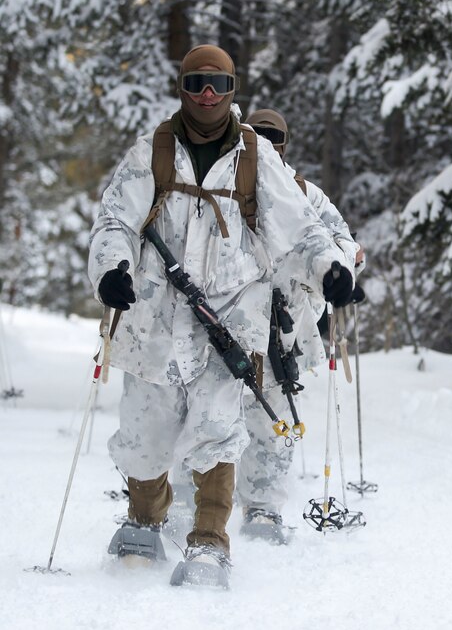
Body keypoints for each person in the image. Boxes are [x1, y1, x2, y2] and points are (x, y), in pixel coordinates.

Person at [88, 44, 360, 588]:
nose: (207, 94)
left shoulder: (255, 157)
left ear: (232, 89)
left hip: (230, 318)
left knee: (218, 429)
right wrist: (112, 268)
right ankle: (144, 519)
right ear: (182, 88)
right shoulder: (152, 152)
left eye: (217, 84)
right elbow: (115, 219)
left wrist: (329, 269)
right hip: (155, 318)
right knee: (144, 437)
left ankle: (209, 543)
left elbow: (300, 229)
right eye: (196, 83)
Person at [169, 108, 364, 544]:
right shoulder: (221, 181)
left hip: (281, 323)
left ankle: (262, 507)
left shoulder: (305, 194)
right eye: (260, 136)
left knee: (271, 415)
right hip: (221, 317)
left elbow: (340, 242)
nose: (268, 145)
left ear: (285, 145)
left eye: (275, 139)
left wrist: (341, 271)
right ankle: (185, 497)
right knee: (201, 407)